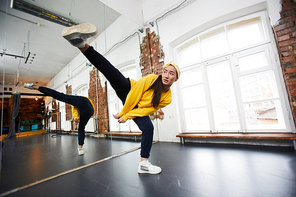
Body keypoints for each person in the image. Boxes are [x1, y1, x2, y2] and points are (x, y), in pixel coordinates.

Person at [61, 23, 180, 174]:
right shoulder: (151, 79)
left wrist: (127, 115)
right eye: (165, 71)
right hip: (128, 89)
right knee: (109, 70)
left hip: (135, 108)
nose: (167, 75)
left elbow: (146, 110)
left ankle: (144, 164)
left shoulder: (167, 98)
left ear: (175, 79)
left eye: (171, 74)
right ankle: (81, 45)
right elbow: (134, 94)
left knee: (148, 127)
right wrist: (123, 112)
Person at [23, 84, 94, 156]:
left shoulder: (79, 105)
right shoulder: (87, 110)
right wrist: (76, 119)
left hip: (85, 104)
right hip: (88, 108)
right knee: (81, 128)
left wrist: (76, 119)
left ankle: (35, 86)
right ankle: (80, 148)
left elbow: (76, 111)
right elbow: (78, 111)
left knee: (60, 96)